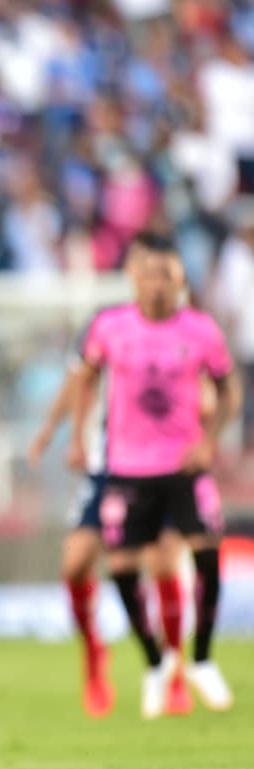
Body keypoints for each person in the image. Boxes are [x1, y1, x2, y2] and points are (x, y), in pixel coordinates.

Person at [68, 232, 240, 718]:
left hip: (184, 466)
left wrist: (210, 441)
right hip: (127, 469)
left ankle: (201, 659)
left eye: (169, 274)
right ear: (134, 278)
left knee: (206, 557)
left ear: (181, 279)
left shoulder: (201, 330)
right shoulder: (110, 326)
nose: (160, 283)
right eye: (151, 273)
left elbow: (229, 390)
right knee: (121, 570)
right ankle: (154, 662)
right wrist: (78, 437)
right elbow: (84, 378)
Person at [29, 366, 188, 718]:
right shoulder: (106, 329)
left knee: (163, 563)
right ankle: (94, 655)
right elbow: (77, 379)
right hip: (108, 469)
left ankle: (173, 672)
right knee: (75, 563)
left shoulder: (175, 331)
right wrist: (58, 433)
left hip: (159, 466)